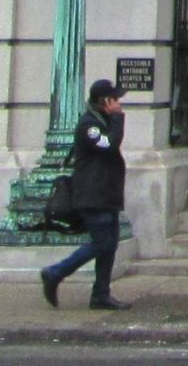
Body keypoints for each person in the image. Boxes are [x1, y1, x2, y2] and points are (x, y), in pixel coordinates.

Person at [41, 79, 130, 310]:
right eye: (115, 99)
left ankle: (100, 294)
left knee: (109, 245)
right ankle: (55, 273)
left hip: (106, 195)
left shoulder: (101, 120)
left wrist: (113, 119)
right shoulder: (89, 125)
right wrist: (118, 118)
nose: (118, 104)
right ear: (105, 101)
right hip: (93, 196)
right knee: (102, 243)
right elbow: (109, 144)